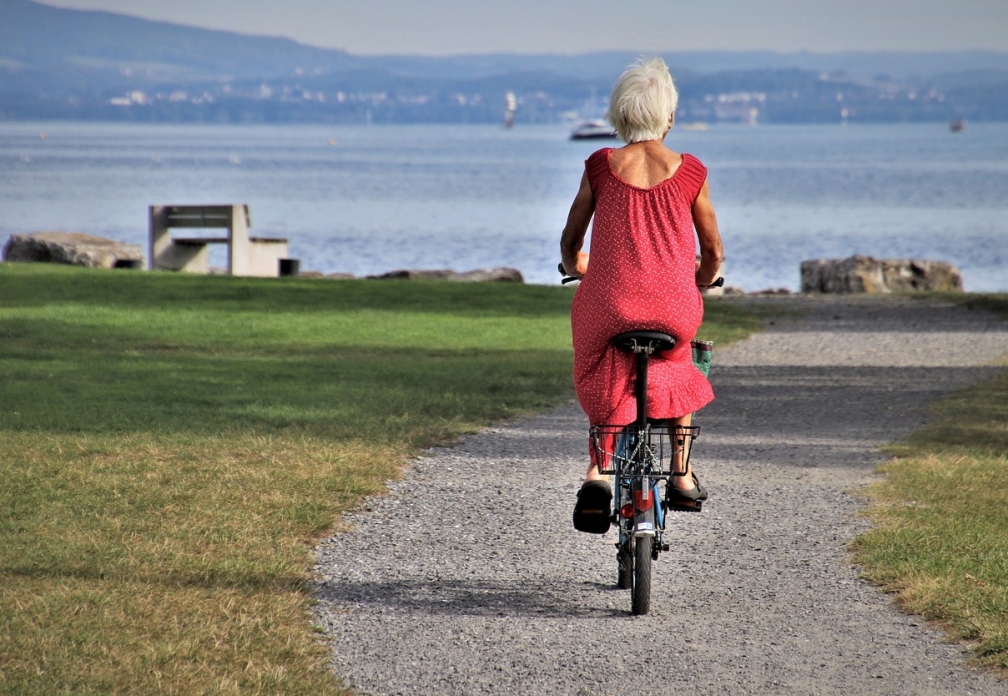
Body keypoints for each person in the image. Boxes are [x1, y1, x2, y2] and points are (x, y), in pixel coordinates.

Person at [560, 57, 723, 533]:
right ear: (668, 116)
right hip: (673, 307)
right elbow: (712, 250)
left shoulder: (600, 166)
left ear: (618, 115)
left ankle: (599, 473)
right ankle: (681, 471)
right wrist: (704, 278)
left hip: (608, 305)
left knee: (602, 359)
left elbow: (572, 242)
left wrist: (578, 268)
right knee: (678, 362)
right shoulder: (691, 171)